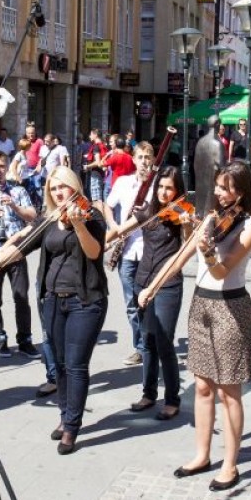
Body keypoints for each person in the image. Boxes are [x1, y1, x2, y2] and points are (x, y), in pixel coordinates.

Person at [142, 161, 251, 487]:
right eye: (219, 186)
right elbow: (180, 256)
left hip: (230, 307)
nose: (220, 193)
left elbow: (222, 270)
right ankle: (202, 454)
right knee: (204, 386)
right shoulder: (210, 217)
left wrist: (208, 252)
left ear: (242, 190)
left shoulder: (250, 225)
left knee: (229, 391)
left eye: (227, 187)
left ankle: (231, 464)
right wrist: (152, 287)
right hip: (201, 304)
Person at [0, 166, 107, 455]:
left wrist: (78, 225)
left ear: (74, 187)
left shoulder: (91, 215)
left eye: (63, 187)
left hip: (85, 300)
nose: (58, 192)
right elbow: (25, 246)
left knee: (76, 364)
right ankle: (66, 414)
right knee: (61, 364)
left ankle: (72, 427)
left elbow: (94, 252)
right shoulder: (50, 219)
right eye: (53, 188)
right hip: (53, 299)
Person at [109, 166, 194, 420]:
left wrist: (188, 226)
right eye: (161, 187)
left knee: (165, 343)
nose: (164, 192)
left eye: (169, 188)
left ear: (177, 191)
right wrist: (103, 237)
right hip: (142, 280)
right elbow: (122, 229)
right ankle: (148, 393)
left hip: (167, 284)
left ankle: (172, 399)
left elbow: (188, 245)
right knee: (147, 341)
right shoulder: (149, 209)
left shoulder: (182, 213)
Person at [0, 151, 41, 361]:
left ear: (7, 168)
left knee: (21, 298)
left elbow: (33, 217)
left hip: (16, 251)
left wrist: (13, 205)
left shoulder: (18, 190)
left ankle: (25, 340)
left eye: (2, 166)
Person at [104, 141, 155, 368]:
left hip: (149, 251)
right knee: (130, 303)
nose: (144, 161)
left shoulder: (156, 185)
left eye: (148, 157)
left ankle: (151, 345)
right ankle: (140, 347)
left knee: (147, 301)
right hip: (126, 251)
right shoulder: (124, 182)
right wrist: (113, 226)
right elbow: (107, 205)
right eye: (141, 157)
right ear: (133, 159)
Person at [193, 116, 226, 215]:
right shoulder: (217, 143)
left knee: (199, 208)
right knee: (211, 210)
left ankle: (198, 225)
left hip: (200, 180)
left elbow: (195, 163)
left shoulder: (200, 142)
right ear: (217, 125)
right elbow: (220, 166)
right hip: (212, 181)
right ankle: (209, 228)